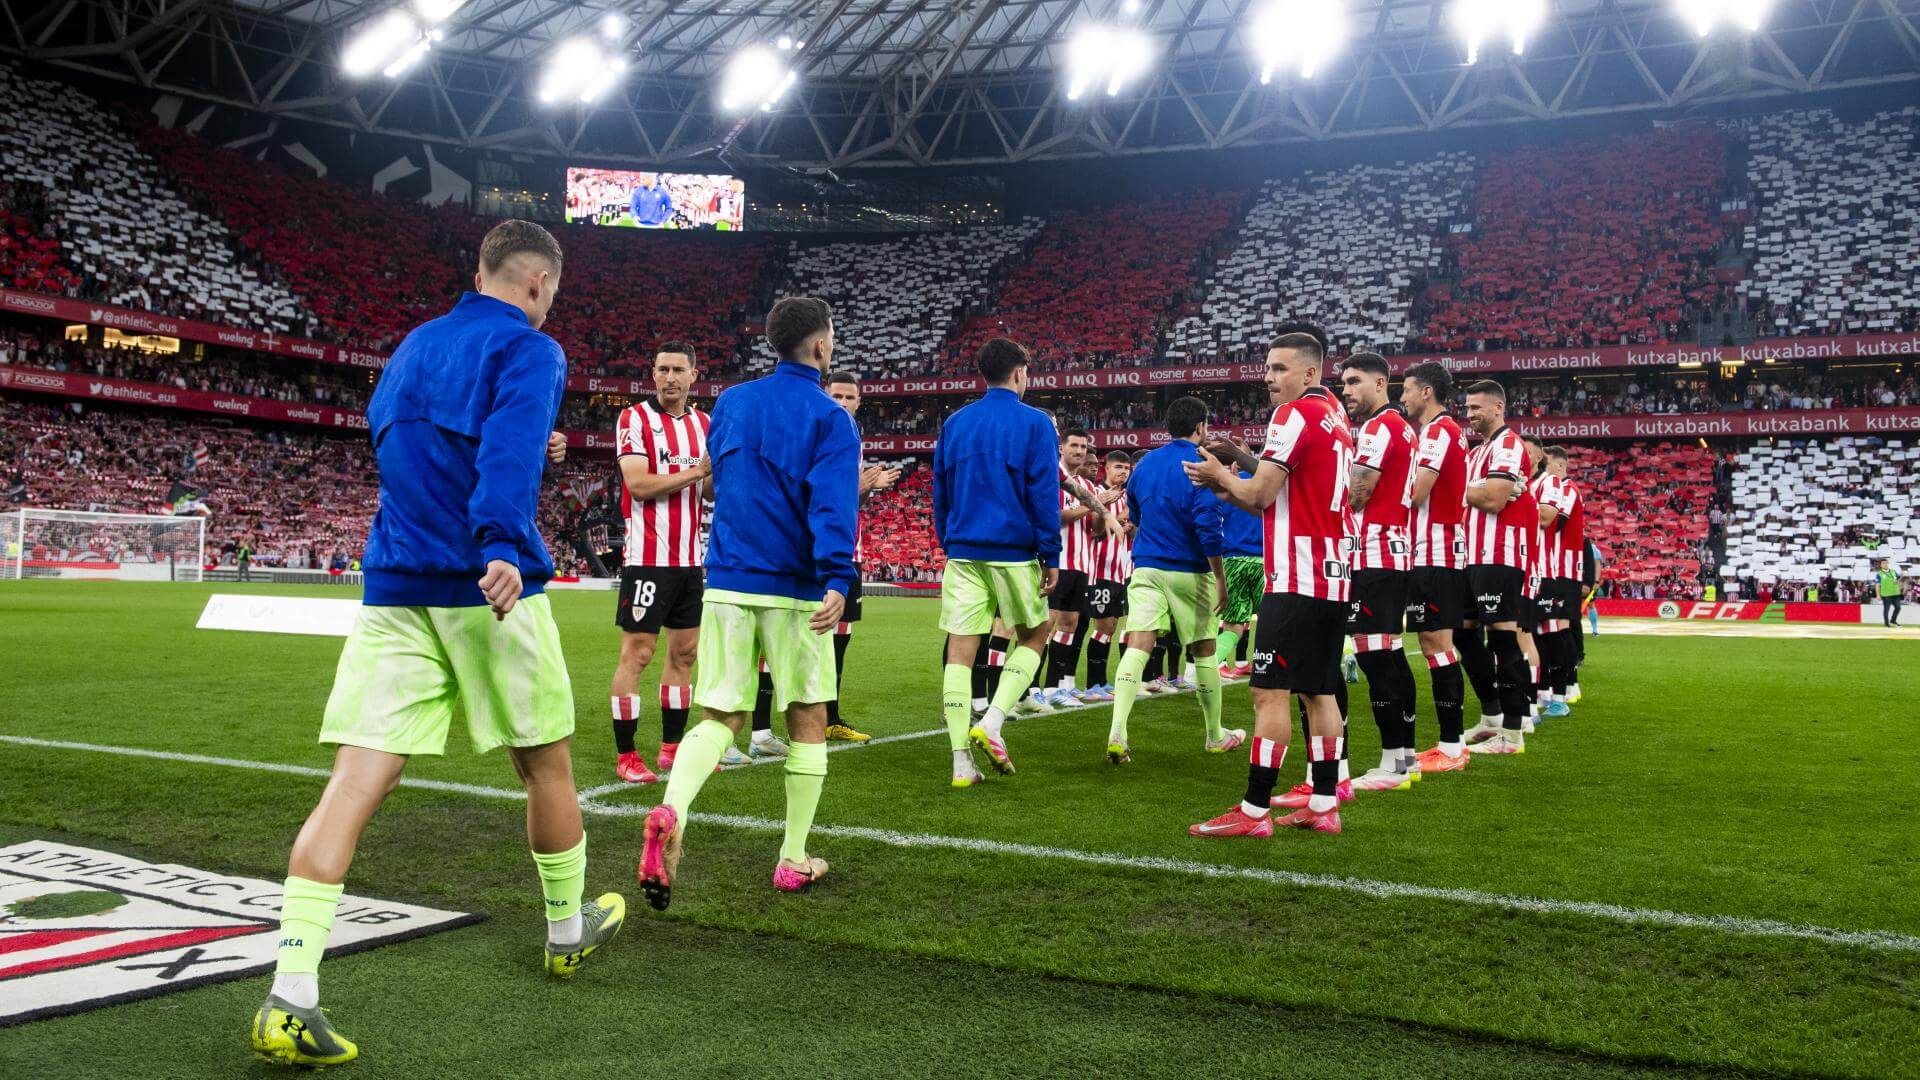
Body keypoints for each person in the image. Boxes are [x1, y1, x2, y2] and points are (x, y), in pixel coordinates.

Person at [251, 221, 624, 1067]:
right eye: (552, 294)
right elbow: (505, 446)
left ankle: (290, 993)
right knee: (545, 763)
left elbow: (413, 444)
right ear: (537, 283)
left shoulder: (415, 345)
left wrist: (525, 458)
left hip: (393, 584)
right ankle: (567, 929)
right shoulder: (533, 348)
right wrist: (497, 538)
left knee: (350, 785)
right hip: (486, 590)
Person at [637, 297, 860, 909]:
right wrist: (838, 578)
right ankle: (792, 857)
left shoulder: (732, 403)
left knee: (719, 718)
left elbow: (717, 481)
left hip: (729, 579)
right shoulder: (832, 419)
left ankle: (672, 808)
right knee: (808, 717)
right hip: (794, 586)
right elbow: (832, 506)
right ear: (820, 347)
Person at [1184, 332, 1355, 836]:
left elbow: (1260, 494)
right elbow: (1276, 497)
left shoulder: (1293, 414)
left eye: (1280, 368)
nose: (1268, 377)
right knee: (1319, 693)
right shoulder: (1335, 419)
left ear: (1309, 373)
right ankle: (1325, 804)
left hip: (1297, 575)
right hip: (1332, 574)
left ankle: (1255, 811)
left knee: (1268, 693)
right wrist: (1224, 479)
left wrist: (1223, 473)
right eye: (1267, 368)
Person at [931, 337, 1061, 786]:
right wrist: (1051, 553)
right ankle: (993, 721)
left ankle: (959, 761)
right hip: (1013, 551)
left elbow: (940, 489)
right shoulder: (1036, 423)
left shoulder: (956, 423)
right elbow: (1044, 494)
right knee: (1036, 633)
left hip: (964, 551)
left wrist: (950, 539)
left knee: (959, 654)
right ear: (1020, 372)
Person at [1103, 396, 1239, 763]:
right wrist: (1220, 580)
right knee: (1204, 648)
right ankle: (1214, 735)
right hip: (1190, 569)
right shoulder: (1201, 466)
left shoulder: (1145, 464)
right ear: (1200, 428)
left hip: (1146, 565)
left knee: (1137, 644)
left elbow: (1136, 511)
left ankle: (1118, 730)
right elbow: (1208, 527)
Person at [608, 343, 712, 785]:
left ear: (693, 374)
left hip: (691, 561)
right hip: (647, 560)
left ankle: (671, 748)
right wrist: (698, 471)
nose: (670, 377)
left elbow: (708, 493)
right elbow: (639, 484)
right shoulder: (634, 419)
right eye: (662, 369)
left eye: (678, 370)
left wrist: (722, 475)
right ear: (652, 374)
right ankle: (627, 755)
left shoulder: (705, 424)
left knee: (685, 654)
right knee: (639, 654)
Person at [1338, 352, 1421, 790]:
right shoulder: (1403, 428)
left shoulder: (1379, 426)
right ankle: (1405, 757)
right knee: (1389, 655)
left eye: (1354, 381)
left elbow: (1358, 490)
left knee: (1375, 658)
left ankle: (1392, 765)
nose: (1346, 391)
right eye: (1343, 383)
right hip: (1394, 556)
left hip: (1373, 557)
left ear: (1381, 382)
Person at [1400, 362, 1472, 775]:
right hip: (1431, 551)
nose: (1404, 397)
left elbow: (1415, 492)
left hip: (1437, 551)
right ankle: (1450, 742)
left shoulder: (1439, 431)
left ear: (1427, 391)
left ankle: (1453, 745)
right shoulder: (1442, 432)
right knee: (1434, 644)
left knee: (1438, 644)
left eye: (1408, 390)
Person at [1459, 381, 1535, 756]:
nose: (1470, 414)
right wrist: (1473, 487)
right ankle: (1492, 717)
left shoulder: (1507, 444)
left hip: (1499, 554)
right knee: (1462, 633)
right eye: (1467, 408)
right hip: (1473, 556)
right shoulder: (1478, 452)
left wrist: (1464, 488)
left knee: (1503, 640)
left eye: (1477, 407)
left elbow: (1492, 499)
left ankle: (1514, 732)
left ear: (1498, 408)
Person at [822, 371, 896, 741]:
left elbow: (853, 503)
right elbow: (818, 494)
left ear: (858, 402)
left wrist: (867, 489)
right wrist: (861, 484)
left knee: (840, 638)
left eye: (848, 398)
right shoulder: (816, 433)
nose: (842, 404)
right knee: (810, 638)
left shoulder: (855, 441)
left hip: (851, 553)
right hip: (820, 554)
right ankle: (779, 724)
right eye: (836, 396)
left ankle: (830, 718)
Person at [1035, 426, 1116, 708]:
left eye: (1083, 447)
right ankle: (1032, 689)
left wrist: (1099, 510)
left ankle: (1054, 687)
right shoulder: (1053, 477)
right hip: (1057, 561)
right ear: (1061, 448)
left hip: (1082, 564)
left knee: (1069, 625)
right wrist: (1093, 505)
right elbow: (1055, 517)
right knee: (1045, 626)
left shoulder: (1089, 487)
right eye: (1075, 446)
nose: (1080, 452)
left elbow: (1094, 529)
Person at [1082, 450, 1136, 702]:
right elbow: (1095, 532)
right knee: (1102, 626)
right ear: (1107, 468)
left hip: (1120, 570)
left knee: (1112, 626)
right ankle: (1093, 682)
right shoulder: (1097, 494)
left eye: (1126, 468)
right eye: (1118, 467)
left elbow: (1127, 535)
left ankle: (1102, 681)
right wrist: (1113, 514)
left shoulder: (1128, 497)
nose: (1123, 472)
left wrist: (1129, 526)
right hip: (1100, 569)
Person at [1535, 446, 1585, 712]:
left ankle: (1564, 687)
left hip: (1561, 565)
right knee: (1556, 627)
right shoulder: (1562, 488)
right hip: (1558, 564)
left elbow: (1555, 522)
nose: (1546, 470)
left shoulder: (1564, 488)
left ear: (1561, 466)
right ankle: (1562, 687)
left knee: (1558, 627)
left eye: (1549, 465)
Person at [1879, 558, 1905, 627]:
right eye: (1883, 563)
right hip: (1886, 594)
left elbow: (1897, 580)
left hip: (1895, 593)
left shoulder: (1893, 572)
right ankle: (1887, 624)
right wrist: (1878, 595)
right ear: (1881, 565)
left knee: (1898, 607)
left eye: (1886, 563)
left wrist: (1901, 576)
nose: (1885, 564)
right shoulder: (1879, 574)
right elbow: (1877, 585)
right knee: (1886, 609)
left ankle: (1893, 621)